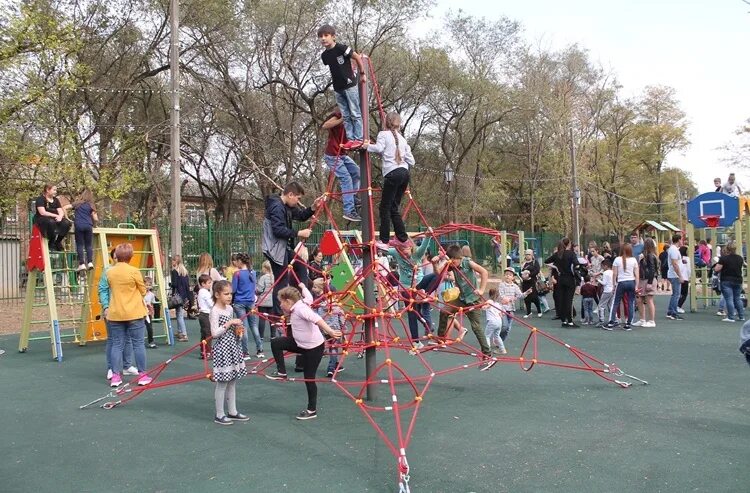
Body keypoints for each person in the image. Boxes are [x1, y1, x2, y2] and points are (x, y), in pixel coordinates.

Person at [267, 284, 342, 420]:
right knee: (276, 342)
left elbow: (317, 319)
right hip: (299, 343)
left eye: (281, 303)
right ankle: (281, 372)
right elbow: (308, 296)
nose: (280, 306)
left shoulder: (300, 309)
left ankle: (311, 410)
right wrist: (302, 286)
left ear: (288, 302)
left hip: (313, 348)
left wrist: (330, 331)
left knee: (309, 378)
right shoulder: (302, 302)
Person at [262, 181, 324, 316]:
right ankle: (279, 314)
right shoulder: (277, 207)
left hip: (284, 247)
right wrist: (298, 233)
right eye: (297, 198)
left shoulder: (287, 206)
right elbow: (277, 230)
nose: (297, 201)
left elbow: (301, 216)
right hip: (275, 248)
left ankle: (299, 297)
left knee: (301, 265)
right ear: (290, 195)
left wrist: (313, 208)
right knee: (282, 278)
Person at [101, 243, 151, 387]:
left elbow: (107, 287)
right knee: (138, 344)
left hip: (115, 313)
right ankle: (142, 375)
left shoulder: (109, 272)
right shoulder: (134, 271)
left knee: (117, 344)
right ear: (131, 256)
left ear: (116, 256)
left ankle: (116, 376)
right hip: (134, 313)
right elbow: (142, 290)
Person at [435, 245, 493, 370]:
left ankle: (487, 355)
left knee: (476, 327)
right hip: (461, 299)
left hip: (473, 300)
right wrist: (442, 261)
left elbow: (484, 272)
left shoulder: (467, 263)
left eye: (454, 260)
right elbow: (438, 273)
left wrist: (482, 290)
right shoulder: (452, 264)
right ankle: (440, 339)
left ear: (458, 258)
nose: (453, 263)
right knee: (444, 311)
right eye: (451, 261)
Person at [364, 111, 415, 251]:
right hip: (405, 174)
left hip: (393, 173)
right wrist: (401, 156)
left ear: (386, 122)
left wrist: (366, 146)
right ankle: (402, 238)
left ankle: (385, 240)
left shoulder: (383, 134)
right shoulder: (403, 139)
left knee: (384, 207)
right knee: (393, 207)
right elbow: (412, 161)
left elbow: (379, 148)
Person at [317, 24, 365, 149]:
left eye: (326, 35)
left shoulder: (342, 48)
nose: (323, 38)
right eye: (321, 36)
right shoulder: (324, 56)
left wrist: (362, 73)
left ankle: (359, 138)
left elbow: (357, 57)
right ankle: (351, 139)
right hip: (338, 88)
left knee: (355, 112)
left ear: (333, 36)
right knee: (346, 115)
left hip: (349, 85)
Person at [209, 280, 250, 425]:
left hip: (233, 347)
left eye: (230, 294)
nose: (229, 296)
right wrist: (229, 323)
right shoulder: (215, 311)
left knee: (232, 380)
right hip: (223, 349)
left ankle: (232, 411)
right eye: (226, 294)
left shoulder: (229, 309)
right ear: (217, 294)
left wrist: (238, 330)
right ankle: (219, 414)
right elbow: (214, 333)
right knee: (222, 382)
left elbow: (232, 329)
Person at [98, 247, 136, 381]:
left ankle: (127, 366)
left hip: (127, 310)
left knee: (129, 338)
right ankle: (111, 368)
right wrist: (106, 306)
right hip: (112, 310)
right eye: (115, 256)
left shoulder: (130, 271)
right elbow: (102, 289)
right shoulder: (108, 271)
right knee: (114, 340)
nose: (118, 258)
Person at [388, 237, 434, 345]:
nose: (404, 255)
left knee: (435, 276)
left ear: (410, 247)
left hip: (418, 284)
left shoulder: (417, 253)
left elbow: (424, 245)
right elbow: (383, 248)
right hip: (406, 287)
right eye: (401, 253)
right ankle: (416, 341)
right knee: (412, 313)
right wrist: (376, 244)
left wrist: (428, 235)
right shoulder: (396, 252)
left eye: (406, 253)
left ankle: (424, 292)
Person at [321, 109, 361, 222]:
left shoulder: (357, 122)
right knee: (346, 178)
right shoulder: (340, 114)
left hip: (342, 154)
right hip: (332, 155)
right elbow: (325, 125)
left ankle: (352, 196)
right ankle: (349, 210)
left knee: (357, 172)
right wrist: (342, 119)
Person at [310, 278, 346, 377]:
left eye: (315, 287)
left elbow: (315, 316)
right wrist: (343, 329)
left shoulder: (318, 304)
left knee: (328, 347)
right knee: (333, 348)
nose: (313, 289)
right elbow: (341, 316)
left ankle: (334, 364)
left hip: (324, 328)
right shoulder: (334, 304)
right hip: (335, 329)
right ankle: (331, 368)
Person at [231, 253, 263, 358]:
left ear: (240, 261)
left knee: (243, 327)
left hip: (239, 302)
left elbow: (234, 289)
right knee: (254, 325)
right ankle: (260, 350)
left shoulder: (237, 274)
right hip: (250, 302)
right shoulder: (252, 273)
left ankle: (246, 352)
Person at [545, 238, 580, 328]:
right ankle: (570, 321)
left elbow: (546, 261)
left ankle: (563, 320)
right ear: (569, 244)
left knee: (562, 300)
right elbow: (576, 264)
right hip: (569, 279)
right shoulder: (571, 254)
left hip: (560, 279)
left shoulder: (557, 254)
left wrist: (556, 267)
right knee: (569, 300)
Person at [605, 243, 639, 330]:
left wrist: (613, 285)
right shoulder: (634, 260)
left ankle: (611, 322)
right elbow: (637, 274)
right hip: (631, 282)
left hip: (621, 282)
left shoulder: (617, 259)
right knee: (631, 302)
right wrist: (636, 286)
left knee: (615, 302)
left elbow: (614, 274)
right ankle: (628, 323)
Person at [494, 267, 531, 345]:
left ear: (513, 277)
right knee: (504, 326)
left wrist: (526, 293)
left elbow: (520, 296)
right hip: (502, 309)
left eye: (510, 275)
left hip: (511, 310)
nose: (508, 276)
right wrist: (512, 298)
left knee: (508, 329)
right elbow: (502, 296)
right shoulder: (502, 285)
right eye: (506, 274)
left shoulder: (515, 286)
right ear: (504, 276)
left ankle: (500, 342)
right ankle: (498, 339)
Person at [33, 183, 72, 252]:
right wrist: (56, 216)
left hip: (54, 218)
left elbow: (60, 211)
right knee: (51, 223)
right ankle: (51, 242)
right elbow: (42, 212)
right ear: (48, 190)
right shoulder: (40, 199)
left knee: (66, 223)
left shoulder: (56, 200)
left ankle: (57, 242)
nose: (55, 192)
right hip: (42, 219)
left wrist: (60, 216)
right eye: (54, 190)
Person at [67, 188, 98, 270]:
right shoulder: (91, 205)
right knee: (88, 245)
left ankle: (82, 264)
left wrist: (67, 217)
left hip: (79, 225)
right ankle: (90, 262)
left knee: (80, 244)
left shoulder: (77, 203)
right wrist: (94, 224)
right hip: (88, 225)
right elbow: (95, 218)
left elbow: (65, 207)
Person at [715, 241, 745, 322]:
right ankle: (741, 316)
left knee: (729, 299)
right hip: (738, 280)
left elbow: (717, 269)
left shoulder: (724, 258)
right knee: (737, 299)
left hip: (726, 280)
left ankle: (731, 317)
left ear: (727, 248)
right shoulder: (740, 258)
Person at [634, 238, 658, 328]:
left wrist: (650, 282)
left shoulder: (650, 256)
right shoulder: (646, 255)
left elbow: (652, 269)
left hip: (648, 279)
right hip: (643, 279)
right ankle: (642, 319)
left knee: (649, 300)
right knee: (639, 299)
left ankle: (651, 320)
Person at [170, 255, 193, 341]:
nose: (172, 262)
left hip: (177, 295)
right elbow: (187, 285)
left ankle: (184, 334)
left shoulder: (175, 271)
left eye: (172, 261)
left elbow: (174, 284)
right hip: (183, 295)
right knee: (179, 313)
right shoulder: (184, 272)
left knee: (179, 315)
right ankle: (180, 331)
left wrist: (171, 285)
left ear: (175, 262)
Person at [666, 234, 685, 320]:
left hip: (673, 274)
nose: (682, 242)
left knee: (675, 294)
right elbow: (674, 264)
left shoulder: (673, 249)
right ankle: (673, 312)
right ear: (679, 240)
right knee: (676, 294)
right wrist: (680, 276)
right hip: (674, 275)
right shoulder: (674, 250)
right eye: (681, 240)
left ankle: (670, 311)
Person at [483, 288, 507, 355]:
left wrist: (483, 306)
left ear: (489, 294)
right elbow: (501, 315)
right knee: (497, 336)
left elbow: (486, 306)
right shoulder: (498, 304)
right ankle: (502, 350)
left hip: (492, 321)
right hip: (499, 322)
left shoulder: (489, 301)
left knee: (487, 336)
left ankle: (487, 351)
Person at [255, 260, 275, 340]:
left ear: (264, 268)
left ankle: (261, 336)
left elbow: (259, 289)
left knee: (262, 319)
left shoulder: (263, 278)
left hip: (263, 301)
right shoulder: (274, 276)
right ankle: (273, 335)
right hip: (272, 301)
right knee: (272, 319)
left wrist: (256, 292)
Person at [196, 274, 214, 358]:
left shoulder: (201, 291)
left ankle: (203, 350)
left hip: (202, 314)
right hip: (206, 314)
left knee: (203, 333)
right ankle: (207, 351)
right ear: (203, 284)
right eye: (209, 283)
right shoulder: (205, 292)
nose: (210, 284)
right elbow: (211, 304)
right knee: (208, 333)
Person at [596, 259, 614, 328]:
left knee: (601, 305)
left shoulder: (605, 273)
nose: (602, 268)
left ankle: (601, 320)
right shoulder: (613, 272)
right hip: (612, 290)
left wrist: (598, 280)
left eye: (602, 266)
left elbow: (604, 283)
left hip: (607, 290)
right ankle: (614, 319)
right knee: (611, 305)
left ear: (606, 266)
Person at [676, 246, 692, 315]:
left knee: (678, 293)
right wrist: (689, 276)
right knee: (684, 294)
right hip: (685, 277)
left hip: (678, 277)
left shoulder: (678, 259)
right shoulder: (687, 259)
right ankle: (678, 306)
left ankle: (675, 306)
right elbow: (688, 269)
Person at [143, 277, 158, 349]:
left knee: (149, 328)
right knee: (139, 328)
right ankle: (138, 342)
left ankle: (151, 341)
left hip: (148, 314)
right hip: (141, 313)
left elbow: (152, 303)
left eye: (149, 285)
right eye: (146, 285)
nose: (147, 287)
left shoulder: (152, 294)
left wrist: (151, 309)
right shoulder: (141, 293)